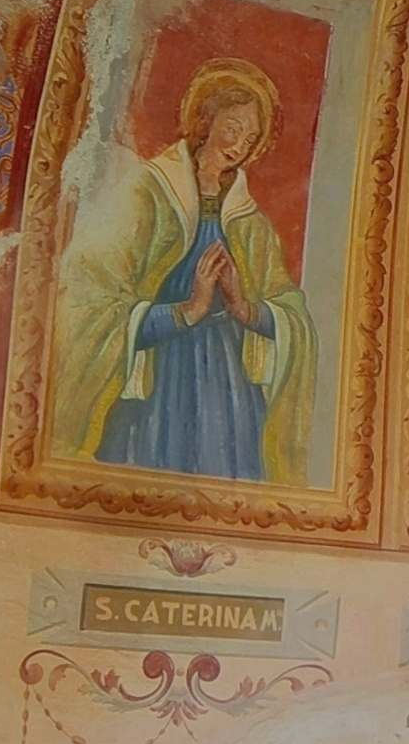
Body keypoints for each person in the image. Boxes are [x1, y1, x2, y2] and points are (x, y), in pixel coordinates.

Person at [52, 58, 315, 485]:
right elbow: (90, 300)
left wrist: (244, 307)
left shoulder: (250, 221)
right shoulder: (147, 192)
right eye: (231, 127)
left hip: (227, 390)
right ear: (206, 119)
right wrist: (187, 311)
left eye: (250, 137)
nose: (239, 145)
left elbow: (293, 313)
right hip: (160, 380)